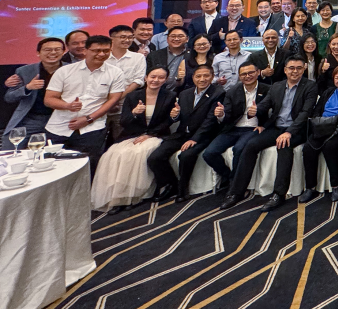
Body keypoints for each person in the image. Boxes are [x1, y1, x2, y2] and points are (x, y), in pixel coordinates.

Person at [220, 56, 316, 212]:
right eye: (291, 68)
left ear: (304, 69)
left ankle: (279, 194)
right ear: (285, 70)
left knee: (283, 146)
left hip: (297, 130)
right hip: (276, 128)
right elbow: (265, 104)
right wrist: (256, 110)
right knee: (250, 145)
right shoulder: (277, 86)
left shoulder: (310, 86)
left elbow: (305, 113)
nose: (295, 71)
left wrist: (289, 132)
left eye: (299, 68)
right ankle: (236, 192)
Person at [90, 65, 177, 213]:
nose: (156, 80)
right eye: (153, 77)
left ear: (166, 80)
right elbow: (124, 121)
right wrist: (134, 113)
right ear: (146, 78)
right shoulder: (133, 96)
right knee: (114, 154)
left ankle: (134, 196)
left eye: (161, 77)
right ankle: (117, 197)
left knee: (137, 154)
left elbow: (167, 121)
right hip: (132, 134)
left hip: (156, 135)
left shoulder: (170, 96)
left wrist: (150, 134)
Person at [44, 35, 125, 172]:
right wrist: (67, 106)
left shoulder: (115, 73)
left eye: (106, 51)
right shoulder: (64, 71)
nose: (101, 54)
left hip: (92, 127)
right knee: (53, 166)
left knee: (87, 167)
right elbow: (49, 99)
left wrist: (88, 119)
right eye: (96, 50)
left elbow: (113, 100)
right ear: (85, 50)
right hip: (59, 126)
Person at [146, 63, 224, 202]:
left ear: (212, 77)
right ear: (193, 77)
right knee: (155, 157)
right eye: (198, 76)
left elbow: (210, 121)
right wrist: (175, 115)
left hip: (204, 135)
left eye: (206, 76)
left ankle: (183, 189)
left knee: (186, 155)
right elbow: (178, 117)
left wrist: (195, 139)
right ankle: (171, 184)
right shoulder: (184, 93)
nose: (202, 79)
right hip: (182, 134)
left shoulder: (218, 93)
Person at [201, 62, 270, 193]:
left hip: (254, 128)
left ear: (257, 72)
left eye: (250, 73)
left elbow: (275, 112)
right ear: (239, 76)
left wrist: (264, 125)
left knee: (239, 148)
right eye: (243, 74)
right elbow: (227, 116)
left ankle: (235, 186)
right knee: (209, 153)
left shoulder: (268, 90)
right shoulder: (232, 91)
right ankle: (229, 176)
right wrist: (221, 115)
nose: (247, 76)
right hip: (233, 128)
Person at [299, 64, 338, 203]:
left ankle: (336, 185)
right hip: (322, 126)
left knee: (329, 146)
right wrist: (318, 121)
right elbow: (317, 110)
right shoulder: (328, 92)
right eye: (337, 77)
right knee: (308, 148)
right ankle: (310, 187)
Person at [3, 37, 65, 149]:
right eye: (47, 50)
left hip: (62, 118)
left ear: (63, 52)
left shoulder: (72, 69)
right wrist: (28, 87)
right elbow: (9, 97)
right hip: (32, 118)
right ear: (38, 53)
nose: (53, 53)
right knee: (9, 146)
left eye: (57, 49)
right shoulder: (25, 71)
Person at [106, 24, 147, 141]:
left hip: (125, 107)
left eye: (130, 37)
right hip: (101, 106)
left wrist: (115, 99)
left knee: (120, 141)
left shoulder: (138, 58)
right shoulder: (104, 57)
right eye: (123, 37)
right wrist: (108, 102)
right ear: (112, 38)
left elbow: (138, 81)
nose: (127, 40)